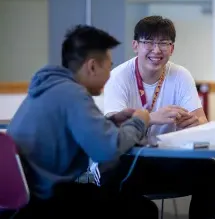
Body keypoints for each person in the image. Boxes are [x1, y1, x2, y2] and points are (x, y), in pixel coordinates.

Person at [6, 25, 158, 218]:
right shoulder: (73, 93)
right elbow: (107, 150)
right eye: (109, 66)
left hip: (24, 200)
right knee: (143, 210)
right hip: (46, 201)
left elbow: (74, 130)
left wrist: (110, 121)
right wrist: (140, 121)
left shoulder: (47, 87)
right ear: (92, 66)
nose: (110, 75)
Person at [99, 16, 215, 219]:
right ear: (136, 45)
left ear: (172, 49)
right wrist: (152, 117)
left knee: (212, 171)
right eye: (149, 42)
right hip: (130, 161)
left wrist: (194, 124)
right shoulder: (118, 77)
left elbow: (203, 124)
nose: (157, 50)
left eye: (164, 43)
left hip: (168, 159)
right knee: (113, 173)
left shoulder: (181, 75)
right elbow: (112, 131)